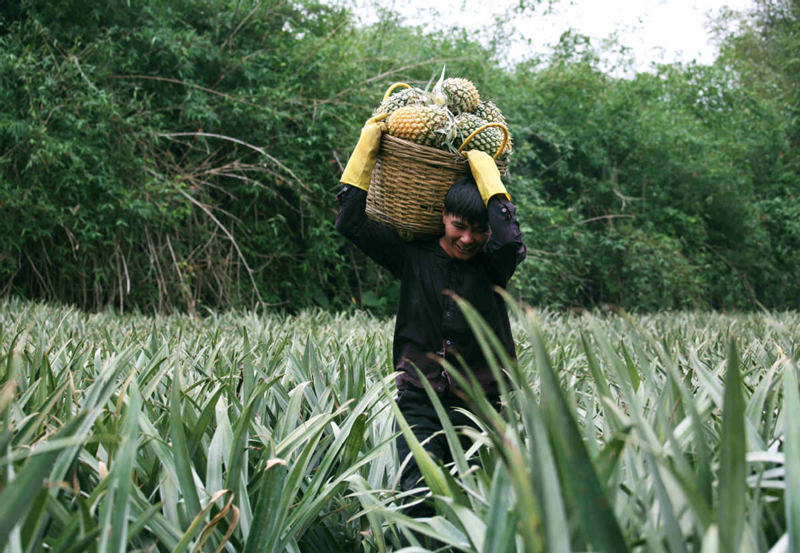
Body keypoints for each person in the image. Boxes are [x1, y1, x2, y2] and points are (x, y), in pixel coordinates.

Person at [335, 115, 526, 522]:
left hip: (484, 403)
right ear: (443, 215)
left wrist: (485, 170)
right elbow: (349, 221)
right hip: (420, 399)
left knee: (485, 505)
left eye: (479, 231)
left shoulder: (494, 265)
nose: (467, 239)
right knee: (417, 497)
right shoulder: (412, 256)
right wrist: (368, 144)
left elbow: (509, 237)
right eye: (459, 227)